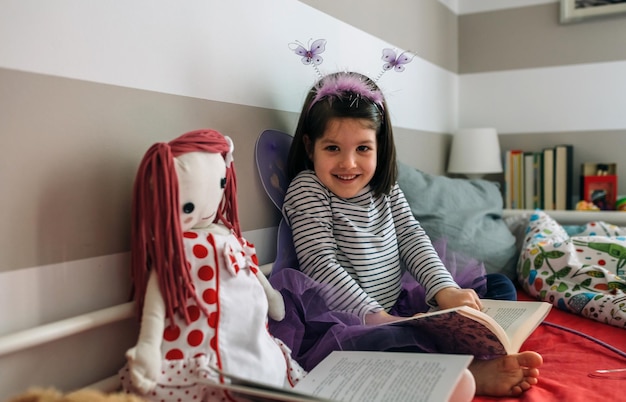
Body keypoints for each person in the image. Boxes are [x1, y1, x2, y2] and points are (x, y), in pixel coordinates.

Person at [269, 71, 542, 397]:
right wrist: (376, 317)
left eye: (362, 148)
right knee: (389, 341)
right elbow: (320, 264)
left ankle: (474, 347)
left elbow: (413, 238)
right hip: (350, 319)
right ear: (309, 146)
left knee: (497, 285)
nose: (348, 163)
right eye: (332, 148)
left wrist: (445, 290)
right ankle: (466, 370)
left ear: (379, 148)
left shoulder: (384, 189)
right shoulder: (308, 188)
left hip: (396, 304)